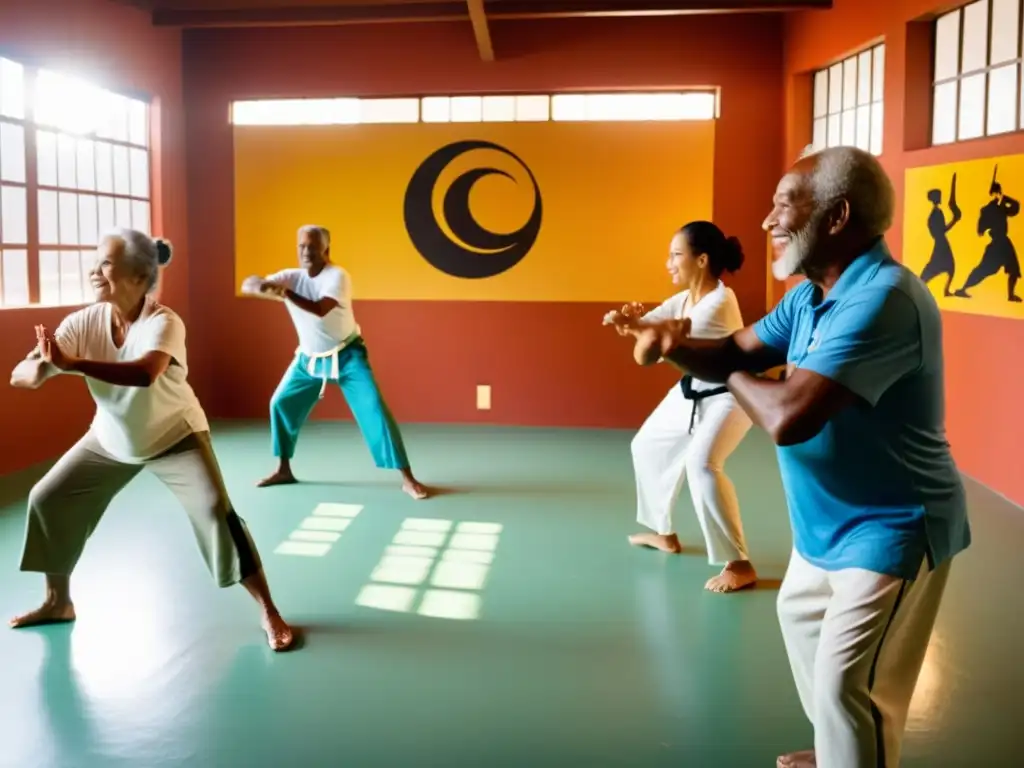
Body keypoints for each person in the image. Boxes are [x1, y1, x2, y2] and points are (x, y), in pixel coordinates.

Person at [629, 146, 970, 768]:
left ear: (836, 217)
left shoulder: (883, 298)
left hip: (893, 525)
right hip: (824, 525)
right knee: (804, 626)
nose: (766, 220)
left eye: (785, 202)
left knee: (848, 684)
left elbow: (788, 416)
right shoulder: (813, 293)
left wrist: (721, 367)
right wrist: (676, 344)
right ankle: (842, 750)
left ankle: (853, 752)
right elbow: (739, 346)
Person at [9, 229, 295, 652]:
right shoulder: (84, 321)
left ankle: (269, 610)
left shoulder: (163, 322)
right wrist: (39, 370)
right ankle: (57, 601)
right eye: (96, 260)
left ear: (139, 278)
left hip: (174, 435)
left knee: (217, 513)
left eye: (106, 262)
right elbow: (24, 373)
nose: (94, 270)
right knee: (47, 498)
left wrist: (71, 365)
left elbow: (146, 372)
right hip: (110, 438)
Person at [604, 221, 757, 593]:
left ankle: (740, 563)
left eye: (676, 255)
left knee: (702, 466)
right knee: (646, 445)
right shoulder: (687, 298)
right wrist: (629, 322)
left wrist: (638, 331)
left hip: (729, 397)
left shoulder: (720, 302)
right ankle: (664, 533)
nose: (669, 262)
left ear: (701, 260)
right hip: (692, 392)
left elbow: (654, 346)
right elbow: (652, 326)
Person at [240, 225, 427, 499]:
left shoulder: (337, 276)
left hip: (348, 354)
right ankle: (283, 469)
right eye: (301, 246)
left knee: (374, 408)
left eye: (312, 247)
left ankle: (407, 478)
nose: (306, 252)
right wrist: (259, 284)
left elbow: (321, 309)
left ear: (326, 250)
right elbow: (249, 283)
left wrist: (283, 293)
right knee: (280, 403)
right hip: (309, 359)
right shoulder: (291, 276)